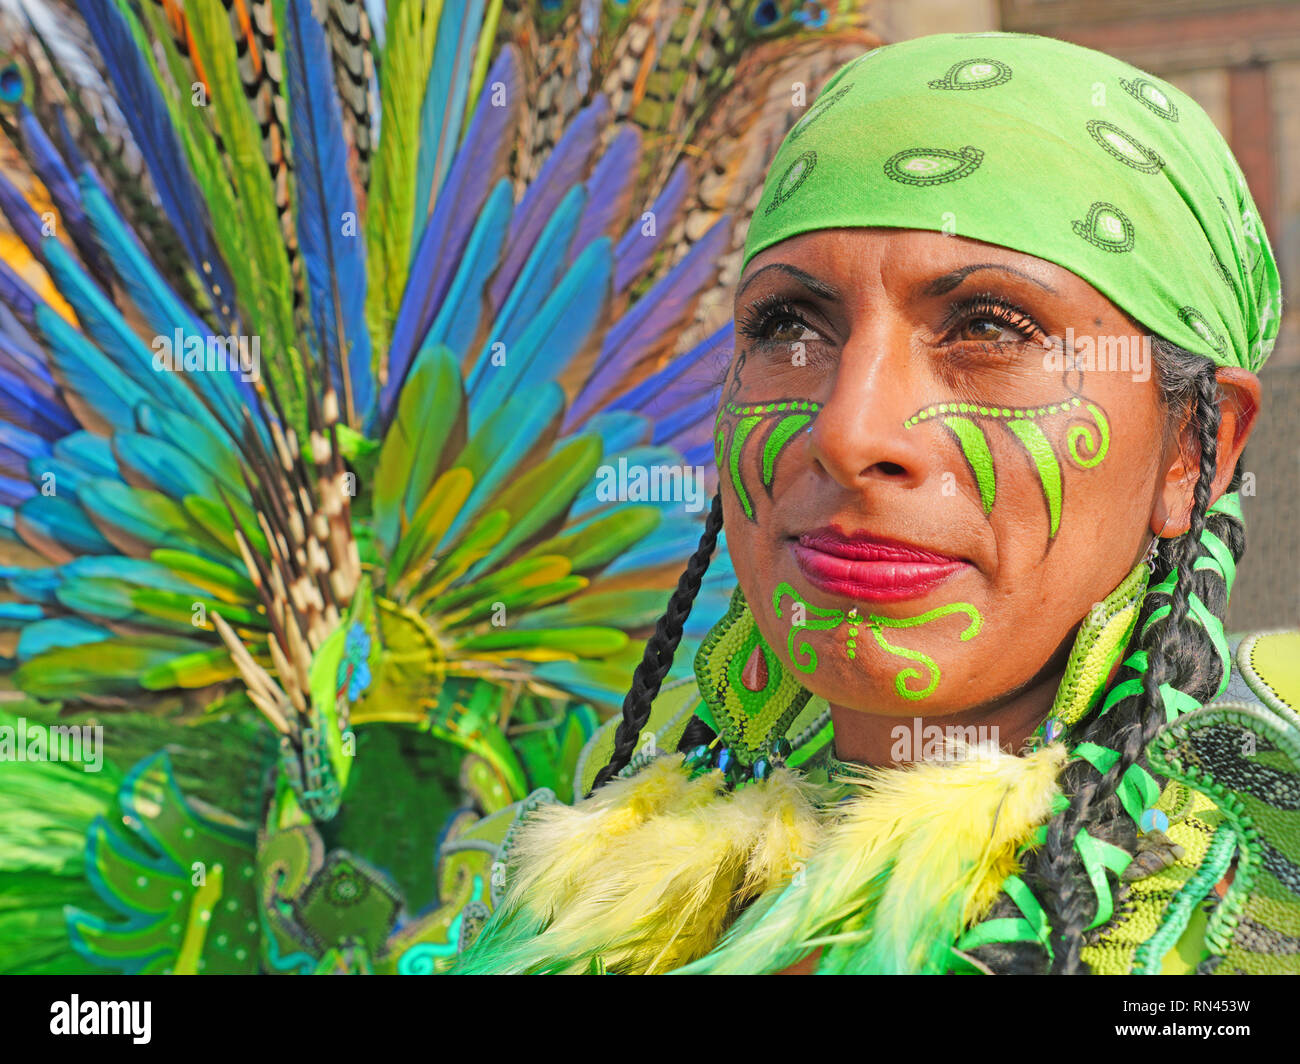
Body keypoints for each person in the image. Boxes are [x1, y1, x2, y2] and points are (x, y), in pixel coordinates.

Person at [446, 31, 1297, 975]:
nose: (849, 434)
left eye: (988, 328)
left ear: (1197, 448)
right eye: (788, 328)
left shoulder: (1268, 853)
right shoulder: (605, 817)